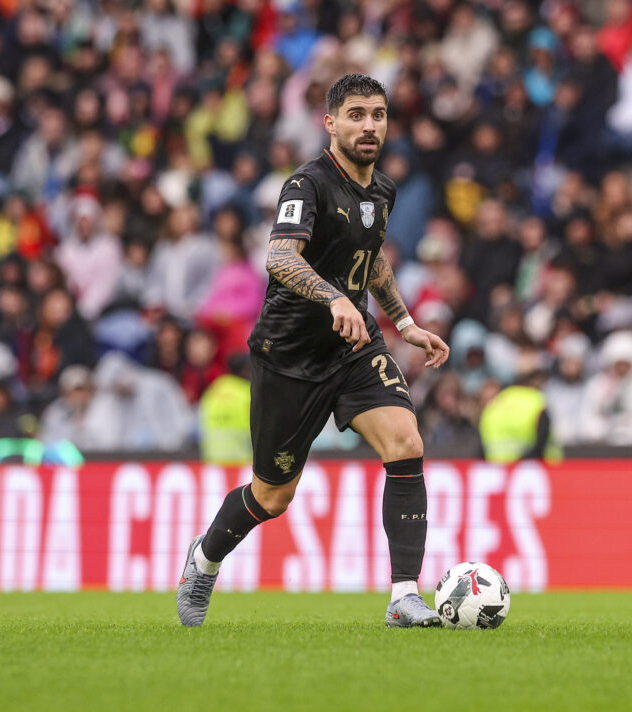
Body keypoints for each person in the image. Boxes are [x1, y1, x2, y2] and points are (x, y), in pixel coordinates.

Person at [176, 75, 450, 628]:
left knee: (405, 441)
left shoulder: (383, 191)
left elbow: (370, 259)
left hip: (353, 348)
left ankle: (404, 594)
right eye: (356, 115)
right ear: (331, 124)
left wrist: (402, 320)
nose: (369, 125)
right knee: (272, 498)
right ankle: (203, 561)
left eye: (377, 114)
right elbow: (278, 257)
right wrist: (331, 298)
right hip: (290, 356)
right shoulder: (307, 185)